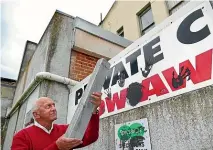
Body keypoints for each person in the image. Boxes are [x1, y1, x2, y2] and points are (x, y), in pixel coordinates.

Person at [11, 92, 102, 150]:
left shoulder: (65, 129)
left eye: (54, 105)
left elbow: (90, 137)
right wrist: (57, 147)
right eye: (48, 106)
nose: (54, 108)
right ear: (36, 114)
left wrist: (94, 110)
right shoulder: (22, 136)